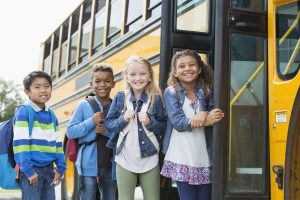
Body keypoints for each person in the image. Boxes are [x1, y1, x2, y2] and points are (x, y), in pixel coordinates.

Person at [161, 49, 224, 200]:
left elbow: (216, 115)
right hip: (181, 155)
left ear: (200, 69)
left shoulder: (206, 90)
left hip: (203, 155)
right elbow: (178, 122)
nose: (187, 68)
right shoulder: (171, 92)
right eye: (182, 66)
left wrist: (204, 115)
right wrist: (204, 118)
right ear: (175, 72)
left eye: (192, 65)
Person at [105, 56, 166, 200]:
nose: (137, 78)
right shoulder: (120, 98)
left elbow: (163, 127)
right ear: (126, 78)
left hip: (150, 158)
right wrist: (123, 119)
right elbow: (108, 124)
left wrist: (150, 122)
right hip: (124, 158)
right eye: (132, 74)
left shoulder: (155, 99)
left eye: (142, 74)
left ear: (150, 76)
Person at [13, 71, 66, 200]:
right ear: (27, 91)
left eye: (47, 86)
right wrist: (29, 171)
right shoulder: (24, 111)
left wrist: (60, 168)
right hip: (31, 170)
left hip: (49, 170)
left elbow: (57, 143)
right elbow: (20, 144)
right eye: (37, 87)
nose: (43, 90)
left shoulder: (51, 114)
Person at [67, 63, 117, 200]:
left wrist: (107, 131)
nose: (102, 85)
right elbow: (70, 132)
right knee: (87, 196)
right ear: (91, 84)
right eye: (97, 81)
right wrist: (91, 121)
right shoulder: (83, 105)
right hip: (88, 164)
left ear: (113, 83)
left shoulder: (117, 106)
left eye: (107, 81)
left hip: (111, 164)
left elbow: (122, 135)